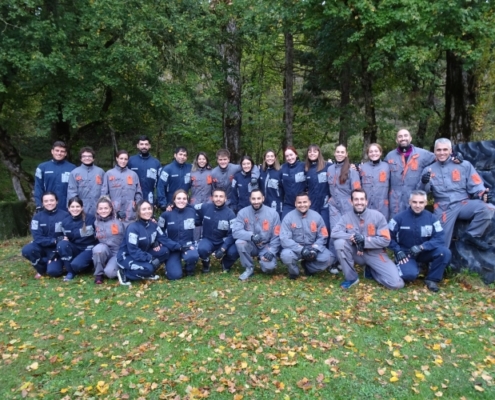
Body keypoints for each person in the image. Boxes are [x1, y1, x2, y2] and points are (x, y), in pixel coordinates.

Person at [418, 138, 495, 250]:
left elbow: (476, 184)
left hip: (463, 202)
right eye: (439, 150)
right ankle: (438, 259)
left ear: (450, 150)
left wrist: (483, 194)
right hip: (443, 207)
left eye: (445, 149)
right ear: (434, 151)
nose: (442, 153)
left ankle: (471, 236)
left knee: (489, 208)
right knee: (440, 242)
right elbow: (421, 193)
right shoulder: (428, 170)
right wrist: (424, 182)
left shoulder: (464, 165)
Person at [331, 189, 405, 290]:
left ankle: (372, 271)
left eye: (362, 199)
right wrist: (352, 236)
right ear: (351, 202)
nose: (359, 202)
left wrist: (364, 240)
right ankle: (351, 278)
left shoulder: (378, 216)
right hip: (357, 253)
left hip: (375, 253)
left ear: (366, 201)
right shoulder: (346, 218)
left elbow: (386, 240)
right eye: (356, 199)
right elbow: (334, 233)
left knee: (396, 284)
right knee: (339, 243)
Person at [388, 190, 451, 292]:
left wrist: (423, 247)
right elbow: (388, 237)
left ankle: (432, 279)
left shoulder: (432, 218)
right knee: (409, 275)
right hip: (405, 253)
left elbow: (440, 238)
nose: (418, 205)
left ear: (425, 203)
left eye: (421, 202)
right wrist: (397, 250)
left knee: (444, 252)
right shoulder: (398, 218)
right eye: (414, 202)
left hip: (424, 251)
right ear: (409, 202)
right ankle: (400, 266)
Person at [116, 200, 175, 285]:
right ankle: (124, 273)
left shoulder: (154, 225)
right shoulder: (133, 228)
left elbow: (164, 239)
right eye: (144, 209)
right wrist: (150, 258)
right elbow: (133, 250)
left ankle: (146, 272)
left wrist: (181, 247)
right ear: (138, 211)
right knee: (148, 268)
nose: (147, 211)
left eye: (149, 208)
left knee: (164, 251)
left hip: (143, 253)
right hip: (128, 255)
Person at [280, 192, 335, 279]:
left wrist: (315, 249)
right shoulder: (288, 218)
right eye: (299, 202)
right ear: (295, 204)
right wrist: (301, 249)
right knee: (286, 255)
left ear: (309, 202)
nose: (302, 205)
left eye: (305, 202)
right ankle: (294, 272)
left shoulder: (317, 216)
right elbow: (284, 239)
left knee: (330, 258)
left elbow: (323, 235)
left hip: (312, 248)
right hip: (295, 249)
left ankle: (308, 267)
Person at [384, 129, 435, 217]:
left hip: (414, 198)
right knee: (395, 222)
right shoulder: (390, 156)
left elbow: (440, 157)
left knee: (413, 221)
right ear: (396, 140)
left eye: (405, 136)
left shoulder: (423, 154)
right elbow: (381, 169)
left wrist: (454, 157)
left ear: (410, 138)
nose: (403, 138)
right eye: (400, 136)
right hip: (395, 201)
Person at [232, 189, 281, 281]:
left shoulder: (273, 214)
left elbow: (277, 235)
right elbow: (235, 231)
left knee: (268, 268)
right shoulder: (242, 212)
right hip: (251, 245)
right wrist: (251, 236)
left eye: (258, 198)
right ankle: (249, 268)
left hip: (266, 246)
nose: (256, 201)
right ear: (250, 199)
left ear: (263, 198)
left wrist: (271, 252)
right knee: (240, 242)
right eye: (253, 199)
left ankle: (263, 261)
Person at [22, 192, 69, 278]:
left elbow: (67, 236)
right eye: (46, 201)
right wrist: (54, 240)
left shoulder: (65, 215)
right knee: (27, 250)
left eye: (52, 200)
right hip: (41, 246)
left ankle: (57, 264)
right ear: (42, 203)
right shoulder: (36, 217)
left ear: (57, 201)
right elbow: (37, 237)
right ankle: (41, 269)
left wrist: (58, 246)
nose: (49, 203)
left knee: (54, 272)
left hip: (56, 248)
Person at [158, 190, 199, 279]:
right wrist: (163, 243)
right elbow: (159, 231)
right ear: (174, 200)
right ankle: (170, 266)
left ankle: (189, 269)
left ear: (187, 200)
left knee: (192, 256)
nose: (181, 201)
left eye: (184, 198)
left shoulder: (192, 212)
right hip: (173, 247)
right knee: (174, 275)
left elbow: (201, 220)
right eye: (179, 198)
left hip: (188, 245)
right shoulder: (166, 214)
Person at [196, 188, 239, 273]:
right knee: (202, 249)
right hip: (208, 240)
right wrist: (172, 206)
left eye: (221, 196)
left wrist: (223, 249)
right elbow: (190, 207)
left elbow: (232, 234)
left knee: (235, 250)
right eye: (216, 196)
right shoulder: (205, 207)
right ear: (212, 198)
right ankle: (206, 262)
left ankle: (225, 263)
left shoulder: (230, 214)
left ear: (225, 199)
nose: (218, 199)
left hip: (223, 241)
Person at [57, 197, 98, 281]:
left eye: (77, 206)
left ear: (82, 207)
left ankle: (88, 266)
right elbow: (61, 236)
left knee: (77, 265)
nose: (75, 209)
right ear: (68, 208)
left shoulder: (91, 219)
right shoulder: (65, 222)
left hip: (89, 249)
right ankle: (70, 272)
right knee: (62, 244)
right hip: (75, 248)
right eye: (72, 207)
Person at [101, 150, 143, 222]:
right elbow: (104, 194)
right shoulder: (109, 174)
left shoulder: (133, 175)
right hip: (114, 212)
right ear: (117, 158)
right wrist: (109, 208)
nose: (123, 161)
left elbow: (138, 193)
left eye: (125, 159)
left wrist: (137, 206)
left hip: (130, 212)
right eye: (121, 158)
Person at [327, 144, 361, 229]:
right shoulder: (330, 169)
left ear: (346, 154)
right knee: (335, 230)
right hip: (334, 205)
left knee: (349, 229)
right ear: (334, 153)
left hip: (347, 205)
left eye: (342, 152)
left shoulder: (351, 171)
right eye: (338, 152)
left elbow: (357, 191)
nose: (340, 154)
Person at [34, 141, 76, 211]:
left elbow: (76, 189)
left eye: (62, 151)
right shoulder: (42, 167)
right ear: (52, 151)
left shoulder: (72, 168)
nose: (59, 153)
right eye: (57, 150)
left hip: (66, 207)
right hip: (48, 206)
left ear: (65, 153)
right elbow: (38, 187)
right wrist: (39, 204)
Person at [92, 196, 125, 284]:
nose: (103, 211)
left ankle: (120, 268)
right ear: (97, 210)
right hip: (105, 250)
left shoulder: (119, 221)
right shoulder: (96, 222)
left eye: (106, 208)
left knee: (110, 273)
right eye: (101, 209)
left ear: (111, 208)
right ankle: (99, 274)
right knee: (98, 249)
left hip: (117, 252)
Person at [67, 147, 105, 216]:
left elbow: (104, 190)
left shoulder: (100, 172)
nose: (87, 158)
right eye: (84, 156)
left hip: (98, 207)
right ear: (80, 158)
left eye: (89, 156)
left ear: (93, 158)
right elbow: (72, 192)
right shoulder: (74, 173)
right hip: (82, 208)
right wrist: (76, 207)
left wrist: (103, 205)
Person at [359, 143, 390, 220]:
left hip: (382, 206)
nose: (374, 153)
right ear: (368, 154)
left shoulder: (387, 167)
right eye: (371, 152)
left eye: (376, 151)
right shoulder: (363, 168)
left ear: (380, 152)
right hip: (367, 205)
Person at [305, 144, 332, 231]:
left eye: (315, 151)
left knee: (325, 226)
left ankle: (326, 240)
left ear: (319, 153)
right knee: (313, 227)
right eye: (310, 152)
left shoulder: (328, 166)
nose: (312, 153)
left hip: (325, 203)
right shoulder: (306, 168)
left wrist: (354, 167)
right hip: (312, 203)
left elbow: (339, 170)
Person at [128, 135, 161, 205]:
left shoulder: (156, 162)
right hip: (133, 198)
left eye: (146, 144)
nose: (144, 146)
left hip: (149, 198)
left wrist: (158, 199)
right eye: (141, 144)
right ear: (137, 146)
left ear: (149, 146)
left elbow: (160, 184)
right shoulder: (130, 161)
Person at [157, 146, 192, 211]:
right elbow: (160, 186)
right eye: (180, 154)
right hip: (171, 204)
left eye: (184, 155)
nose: (182, 157)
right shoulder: (167, 169)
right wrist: (163, 204)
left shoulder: (190, 168)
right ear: (175, 155)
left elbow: (201, 168)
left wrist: (207, 167)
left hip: (185, 203)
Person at [190, 152, 213, 240]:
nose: (201, 161)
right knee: (196, 222)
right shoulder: (192, 172)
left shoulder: (211, 172)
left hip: (208, 201)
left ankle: (206, 240)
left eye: (203, 159)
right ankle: (195, 241)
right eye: (200, 159)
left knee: (207, 221)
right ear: (197, 160)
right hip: (195, 201)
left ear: (206, 160)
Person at [280, 146, 307, 219]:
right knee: (284, 221)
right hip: (288, 203)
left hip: (302, 203)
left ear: (296, 154)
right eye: (287, 156)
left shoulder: (303, 166)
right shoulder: (283, 168)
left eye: (291, 155)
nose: (289, 158)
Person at [259, 149, 283, 217]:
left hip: (276, 204)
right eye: (268, 156)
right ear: (265, 158)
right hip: (263, 203)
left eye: (272, 156)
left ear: (275, 158)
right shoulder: (261, 170)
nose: (270, 158)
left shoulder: (280, 172)